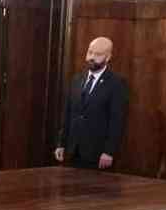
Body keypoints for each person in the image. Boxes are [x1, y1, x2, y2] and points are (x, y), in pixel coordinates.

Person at [55, 37, 129, 169]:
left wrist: (109, 151)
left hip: (97, 155)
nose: (92, 57)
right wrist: (61, 143)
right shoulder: (77, 79)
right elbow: (68, 114)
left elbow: (116, 121)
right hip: (73, 152)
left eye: (98, 54)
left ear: (108, 57)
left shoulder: (116, 84)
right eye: (90, 52)